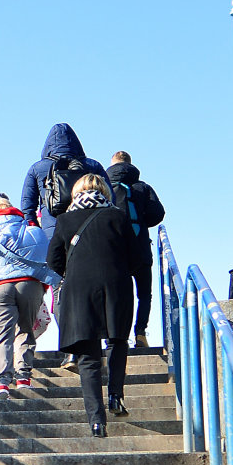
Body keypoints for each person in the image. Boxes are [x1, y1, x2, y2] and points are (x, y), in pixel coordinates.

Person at [47, 174, 136, 438]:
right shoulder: (118, 216)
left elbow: (53, 261)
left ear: (76, 193)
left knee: (88, 356)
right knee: (117, 340)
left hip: (79, 290)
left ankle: (97, 422)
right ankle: (116, 395)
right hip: (116, 284)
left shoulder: (65, 220)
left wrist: (73, 270)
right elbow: (137, 257)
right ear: (105, 192)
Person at [0, 194, 54, 400]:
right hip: (29, 284)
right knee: (26, 330)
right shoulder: (30, 226)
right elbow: (43, 257)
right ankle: (23, 378)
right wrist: (42, 287)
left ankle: (2, 383)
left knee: (2, 334)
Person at [104, 151, 167, 348]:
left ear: (112, 165)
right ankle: (140, 334)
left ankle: (114, 336)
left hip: (114, 250)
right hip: (140, 248)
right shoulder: (143, 187)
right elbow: (158, 213)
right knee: (144, 294)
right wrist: (141, 221)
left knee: (115, 295)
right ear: (131, 165)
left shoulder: (105, 188)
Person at [20, 122, 109, 243]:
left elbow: (27, 206)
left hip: (51, 229)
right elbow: (109, 196)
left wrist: (35, 229)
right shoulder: (92, 165)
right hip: (87, 226)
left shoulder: (37, 168)